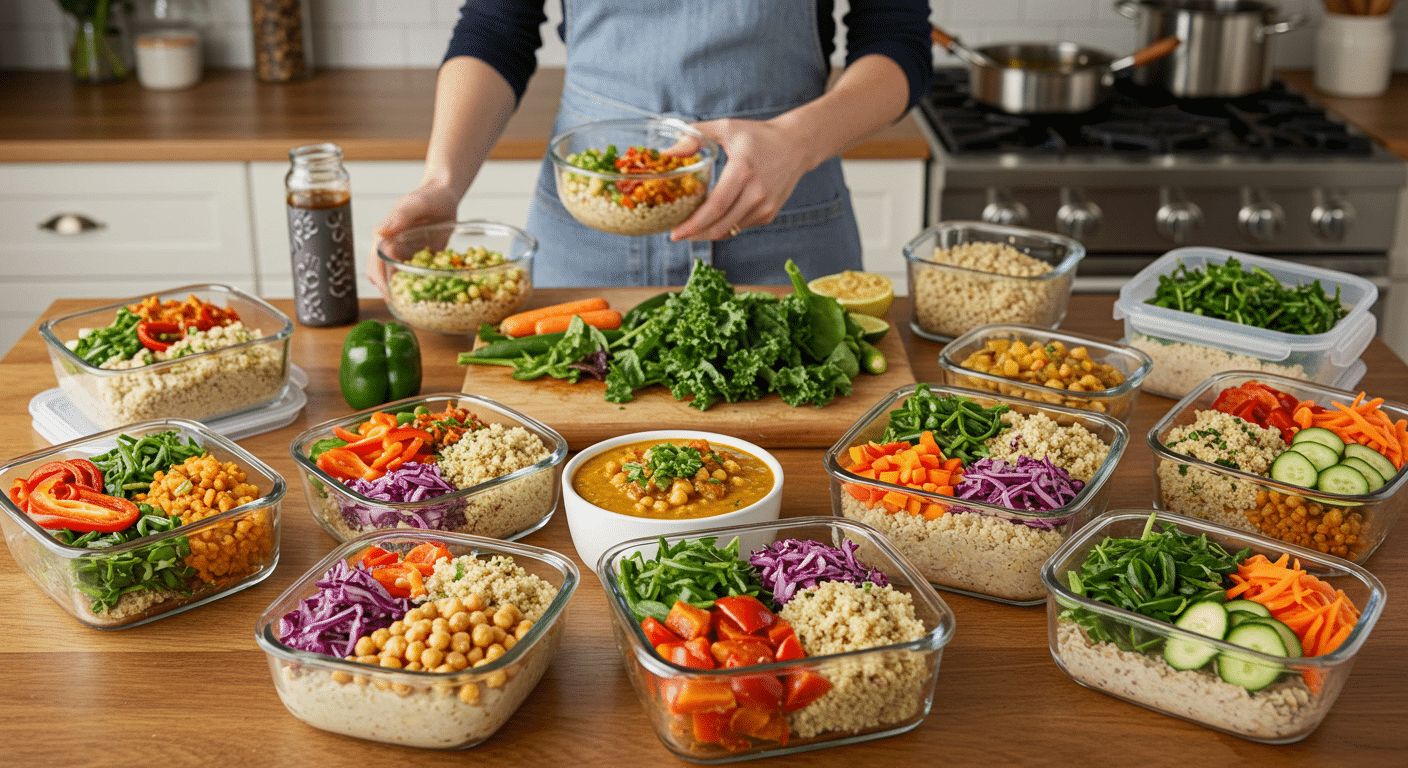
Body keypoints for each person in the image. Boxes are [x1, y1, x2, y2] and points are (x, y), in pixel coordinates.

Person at [370, 1, 932, 291]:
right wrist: (441, 183)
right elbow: (496, 29)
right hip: (589, 233)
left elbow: (896, 40)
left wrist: (796, 140)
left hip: (783, 215)